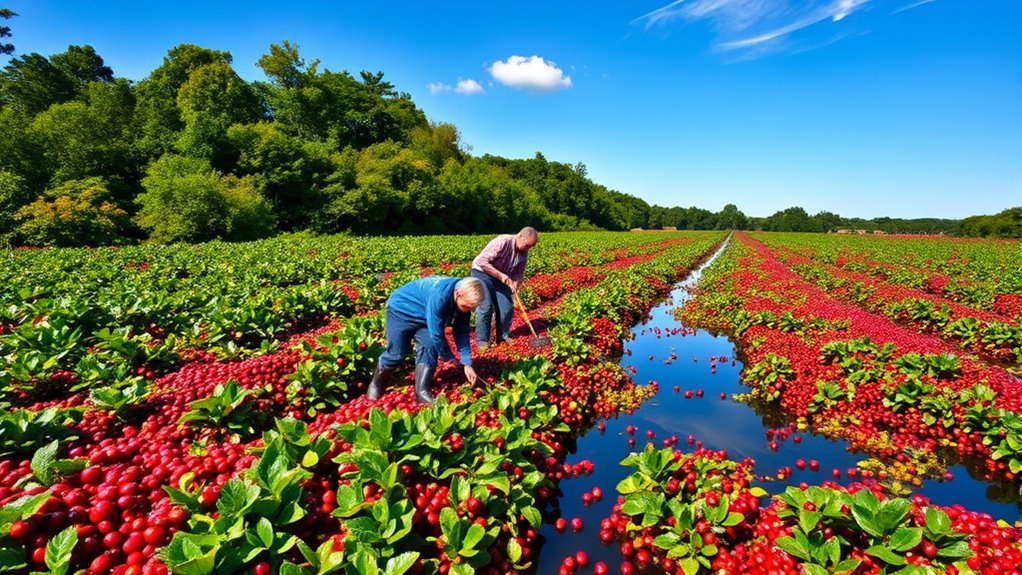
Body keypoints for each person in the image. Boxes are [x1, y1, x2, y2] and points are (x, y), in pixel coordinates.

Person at [368, 276, 485, 404]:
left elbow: (461, 332)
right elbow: (437, 334)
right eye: (466, 306)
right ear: (457, 293)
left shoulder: (463, 299)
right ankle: (376, 385)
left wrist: (467, 363)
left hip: (424, 316)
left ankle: (422, 391)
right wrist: (450, 358)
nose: (468, 310)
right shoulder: (440, 296)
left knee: (429, 346)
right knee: (398, 353)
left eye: (471, 308)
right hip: (401, 310)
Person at [470, 227, 539, 349]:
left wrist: (516, 285)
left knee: (507, 307)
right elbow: (482, 261)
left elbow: (518, 273)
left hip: (502, 278)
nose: (528, 249)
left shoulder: (524, 251)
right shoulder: (502, 242)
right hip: (482, 274)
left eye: (530, 247)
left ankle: (502, 336)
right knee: (486, 307)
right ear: (521, 237)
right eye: (527, 245)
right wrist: (501, 276)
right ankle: (482, 341)